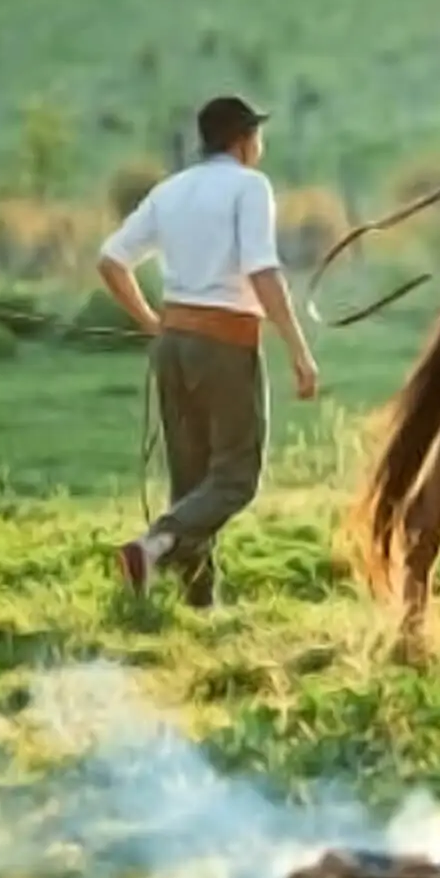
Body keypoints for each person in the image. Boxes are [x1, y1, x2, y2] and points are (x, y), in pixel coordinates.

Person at [97, 94, 320, 606]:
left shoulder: (170, 190)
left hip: (173, 344)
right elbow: (262, 271)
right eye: (257, 134)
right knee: (235, 479)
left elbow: (111, 260)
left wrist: (153, 323)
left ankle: (200, 601)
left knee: (193, 480)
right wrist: (298, 350)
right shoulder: (250, 187)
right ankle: (152, 546)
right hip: (225, 343)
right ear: (243, 141)